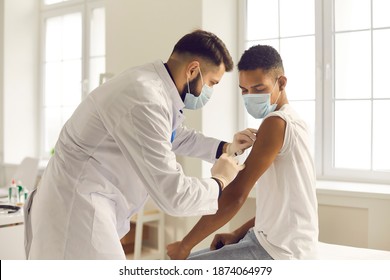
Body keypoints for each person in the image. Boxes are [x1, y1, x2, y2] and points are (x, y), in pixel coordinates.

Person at [24, 30, 257, 260]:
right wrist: (219, 181)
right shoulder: (145, 99)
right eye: (211, 83)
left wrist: (227, 148)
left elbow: (175, 136)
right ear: (193, 69)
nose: (209, 92)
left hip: (87, 203)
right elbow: (173, 196)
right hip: (76, 212)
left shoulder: (152, 85)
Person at [167, 45, 319, 260]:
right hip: (268, 240)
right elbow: (284, 205)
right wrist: (237, 233)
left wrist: (185, 245)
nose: (250, 97)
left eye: (258, 88)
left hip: (280, 252)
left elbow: (236, 194)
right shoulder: (296, 121)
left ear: (282, 83)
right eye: (244, 90)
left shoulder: (275, 123)